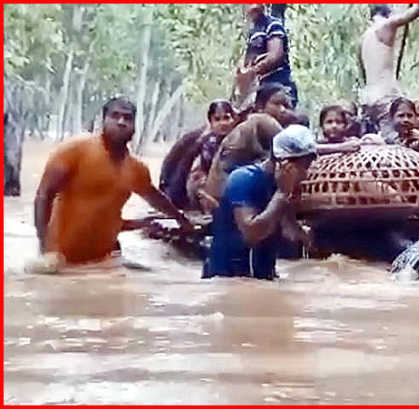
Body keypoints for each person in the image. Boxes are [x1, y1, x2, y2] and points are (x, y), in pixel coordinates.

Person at [33, 97, 194, 267]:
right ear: (103, 120)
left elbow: (154, 198)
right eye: (115, 116)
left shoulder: (136, 169)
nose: (121, 122)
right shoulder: (75, 150)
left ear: (134, 125)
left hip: (103, 260)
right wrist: (45, 247)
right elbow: (43, 196)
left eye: (127, 118)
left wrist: (180, 219)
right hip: (61, 258)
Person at [202, 125, 317, 280]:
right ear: (284, 164)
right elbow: (252, 233)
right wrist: (282, 194)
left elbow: (291, 234)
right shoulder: (243, 179)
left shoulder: (282, 185)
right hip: (229, 278)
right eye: (303, 167)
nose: (305, 174)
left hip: (261, 277)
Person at [358, 4, 419, 131]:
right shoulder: (387, 25)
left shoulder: (364, 38)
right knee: (394, 140)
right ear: (389, 14)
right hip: (385, 97)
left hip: (368, 99)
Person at [236, 4, 298, 107]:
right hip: (262, 92)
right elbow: (247, 65)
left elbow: (276, 56)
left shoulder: (273, 24)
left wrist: (253, 71)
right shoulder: (253, 33)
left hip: (279, 86)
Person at [186, 100, 239, 209]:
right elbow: (205, 168)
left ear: (233, 119)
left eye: (226, 117)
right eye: (217, 119)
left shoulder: (240, 139)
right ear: (211, 122)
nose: (222, 123)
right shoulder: (208, 143)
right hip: (212, 186)